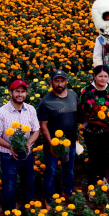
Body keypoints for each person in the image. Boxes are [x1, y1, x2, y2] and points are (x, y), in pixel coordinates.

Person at [0, 80, 40, 212]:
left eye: (23, 92)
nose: (20, 94)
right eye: (17, 91)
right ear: (10, 93)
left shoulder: (30, 110)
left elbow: (36, 130)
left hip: (27, 154)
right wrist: (9, 146)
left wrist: (29, 143)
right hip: (8, 156)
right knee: (9, 187)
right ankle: (9, 215)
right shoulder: (2, 113)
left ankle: (27, 211)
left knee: (29, 184)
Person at [37, 69, 79, 208]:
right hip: (53, 144)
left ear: (66, 81)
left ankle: (68, 192)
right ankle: (49, 198)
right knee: (51, 171)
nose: (60, 84)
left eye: (62, 81)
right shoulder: (46, 101)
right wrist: (51, 145)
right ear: (51, 82)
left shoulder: (73, 95)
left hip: (70, 142)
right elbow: (43, 126)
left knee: (69, 169)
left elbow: (75, 118)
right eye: (57, 81)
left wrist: (76, 138)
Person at [79, 65, 109, 190]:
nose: (103, 79)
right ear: (94, 76)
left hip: (106, 131)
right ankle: (91, 184)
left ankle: (102, 179)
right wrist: (103, 124)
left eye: (105, 76)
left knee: (104, 156)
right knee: (93, 156)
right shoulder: (87, 91)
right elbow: (84, 115)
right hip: (91, 131)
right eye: (100, 76)